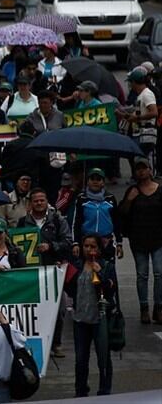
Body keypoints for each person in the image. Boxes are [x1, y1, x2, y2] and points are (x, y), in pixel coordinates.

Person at [18, 187, 73, 357]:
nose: (39, 203)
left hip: (53, 271)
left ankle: (56, 343)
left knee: (60, 308)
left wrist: (51, 247)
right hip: (31, 273)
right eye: (36, 201)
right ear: (31, 203)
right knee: (31, 309)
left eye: (42, 200)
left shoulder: (57, 220)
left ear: (47, 201)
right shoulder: (22, 223)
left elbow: (68, 243)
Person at [68, 234, 117, 397]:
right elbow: (69, 288)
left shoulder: (107, 265)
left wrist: (101, 273)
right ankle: (81, 391)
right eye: (86, 246)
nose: (89, 250)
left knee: (103, 357)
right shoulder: (77, 265)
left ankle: (104, 390)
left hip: (100, 320)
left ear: (99, 249)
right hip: (80, 319)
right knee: (81, 359)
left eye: (93, 246)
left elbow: (111, 290)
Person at [119, 156, 162, 324]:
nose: (142, 171)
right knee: (142, 275)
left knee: (159, 273)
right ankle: (144, 307)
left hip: (158, 239)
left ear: (150, 170)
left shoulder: (159, 190)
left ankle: (158, 307)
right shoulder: (132, 191)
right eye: (138, 169)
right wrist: (130, 200)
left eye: (144, 168)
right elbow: (122, 213)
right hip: (139, 241)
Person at [72, 168, 122, 261]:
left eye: (98, 179)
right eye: (92, 179)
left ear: (103, 182)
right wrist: (75, 243)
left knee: (107, 272)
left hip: (106, 242)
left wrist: (119, 243)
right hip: (87, 243)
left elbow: (116, 221)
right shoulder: (81, 198)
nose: (95, 182)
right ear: (87, 181)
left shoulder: (110, 199)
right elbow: (76, 222)